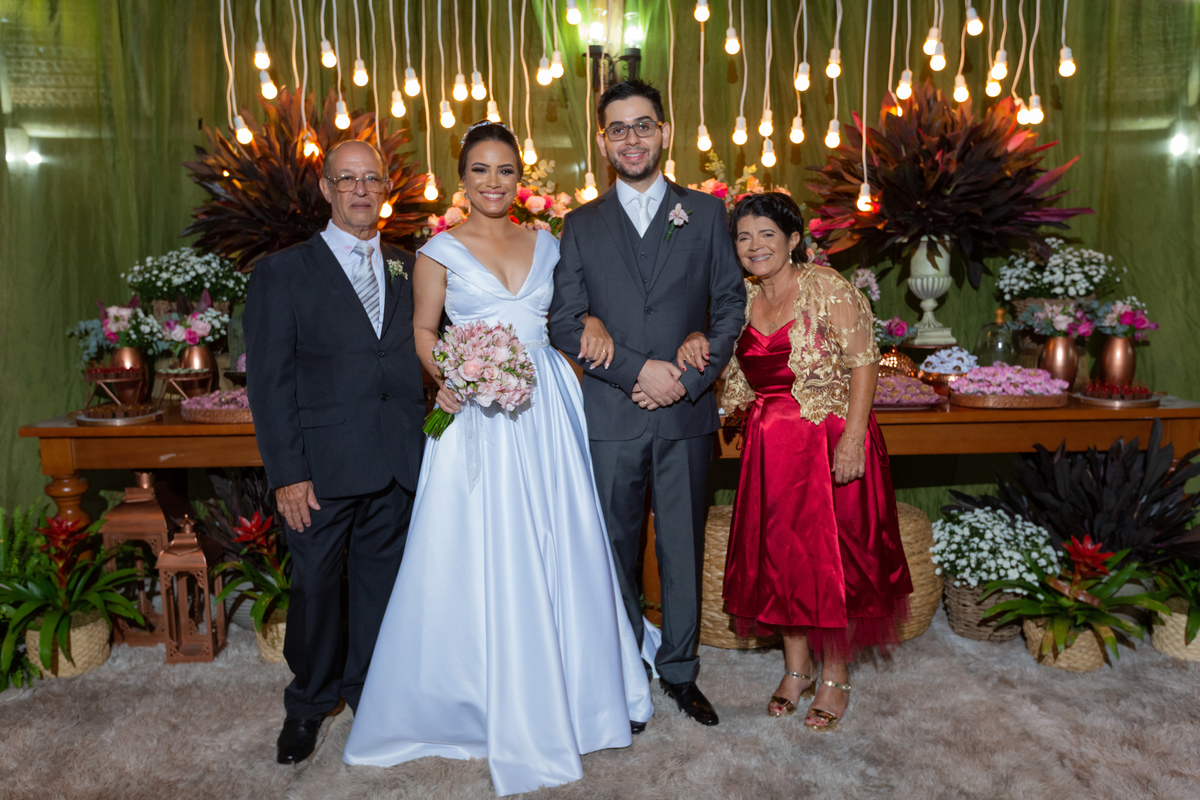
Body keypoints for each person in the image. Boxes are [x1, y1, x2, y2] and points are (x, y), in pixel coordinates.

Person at [343, 122, 652, 797]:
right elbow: (423, 331)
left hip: (548, 406)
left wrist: (592, 322)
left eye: (505, 170)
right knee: (481, 545)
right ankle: (478, 693)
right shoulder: (437, 252)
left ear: (520, 178)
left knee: (562, 538)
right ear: (463, 179)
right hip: (475, 413)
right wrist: (451, 373)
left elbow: (570, 314)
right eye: (480, 170)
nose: (493, 182)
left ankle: (579, 689)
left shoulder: (549, 242)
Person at [548, 80, 746, 727]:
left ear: (665, 132)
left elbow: (730, 306)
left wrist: (686, 380)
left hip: (686, 414)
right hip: (612, 414)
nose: (631, 138)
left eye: (642, 125)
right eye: (618, 128)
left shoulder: (706, 213)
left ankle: (681, 672)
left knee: (682, 548)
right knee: (615, 550)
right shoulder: (580, 225)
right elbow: (564, 321)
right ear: (602, 141)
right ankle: (626, 672)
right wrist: (639, 370)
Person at [687, 192, 911, 732]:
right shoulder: (738, 298)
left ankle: (835, 674)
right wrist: (695, 335)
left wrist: (852, 440)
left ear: (792, 240)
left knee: (836, 560)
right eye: (744, 236)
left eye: (767, 234)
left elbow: (864, 364)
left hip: (830, 439)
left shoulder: (828, 288)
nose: (755, 245)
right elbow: (712, 349)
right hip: (771, 448)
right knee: (782, 558)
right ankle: (796, 669)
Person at [243, 139, 426, 764]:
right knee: (317, 590)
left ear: (386, 189)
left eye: (371, 179)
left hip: (396, 460)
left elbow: (434, 350)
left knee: (381, 589)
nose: (360, 190)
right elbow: (268, 385)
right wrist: (287, 474)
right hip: (319, 472)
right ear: (326, 189)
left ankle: (369, 695)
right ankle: (308, 704)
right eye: (346, 179)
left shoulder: (410, 266)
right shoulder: (282, 272)